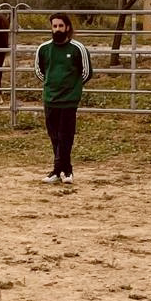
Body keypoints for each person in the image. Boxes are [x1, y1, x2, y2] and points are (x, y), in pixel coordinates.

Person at [34, 12, 92, 185]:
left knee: (65, 135)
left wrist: (72, 87)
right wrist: (52, 85)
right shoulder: (43, 49)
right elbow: (39, 71)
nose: (57, 29)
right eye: (54, 26)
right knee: (54, 136)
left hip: (69, 100)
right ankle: (62, 170)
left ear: (67, 27)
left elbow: (86, 73)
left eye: (60, 26)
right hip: (50, 99)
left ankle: (62, 170)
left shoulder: (78, 49)